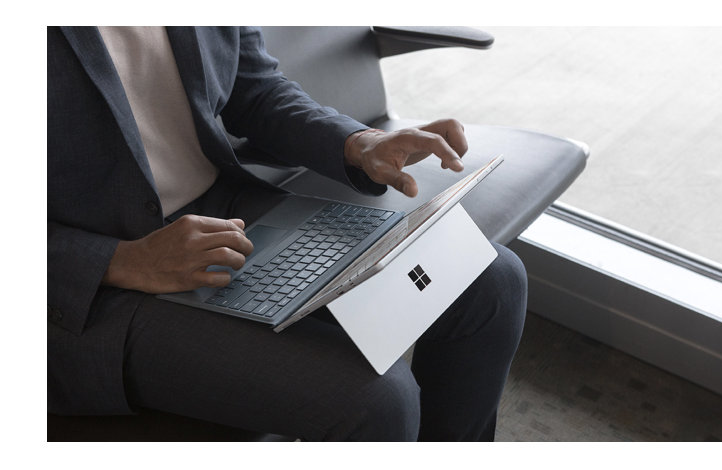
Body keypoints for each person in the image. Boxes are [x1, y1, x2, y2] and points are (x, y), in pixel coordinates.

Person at [48, 26, 527, 441]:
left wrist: (361, 144)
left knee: (492, 281)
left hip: (226, 212)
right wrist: (126, 261)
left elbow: (253, 90)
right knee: (378, 402)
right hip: (91, 278)